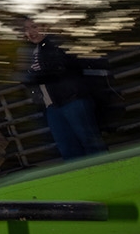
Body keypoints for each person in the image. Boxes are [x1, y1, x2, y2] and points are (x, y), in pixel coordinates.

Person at [19, 18, 107, 160]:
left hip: (72, 100)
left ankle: (108, 173)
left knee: (90, 143)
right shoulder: (30, 51)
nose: (31, 32)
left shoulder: (55, 43)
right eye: (27, 29)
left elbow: (58, 69)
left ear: (45, 27)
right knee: (67, 149)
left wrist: (33, 77)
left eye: (34, 26)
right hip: (51, 107)